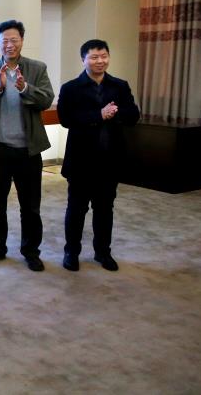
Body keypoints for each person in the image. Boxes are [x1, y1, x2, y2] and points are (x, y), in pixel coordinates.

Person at [0, 19, 54, 272]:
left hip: (28, 150)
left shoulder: (37, 68)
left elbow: (47, 99)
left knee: (30, 206)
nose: (9, 45)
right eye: (4, 41)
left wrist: (25, 88)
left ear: (22, 41)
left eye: (14, 40)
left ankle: (31, 252)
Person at [57, 39, 140, 272]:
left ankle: (103, 252)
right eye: (94, 57)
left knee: (105, 209)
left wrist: (115, 112)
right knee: (76, 209)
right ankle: (71, 252)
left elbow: (133, 115)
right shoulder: (71, 88)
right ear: (83, 60)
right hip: (81, 160)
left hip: (109, 160)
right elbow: (66, 119)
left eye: (104, 56)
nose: (100, 61)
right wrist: (98, 115)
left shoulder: (120, 86)